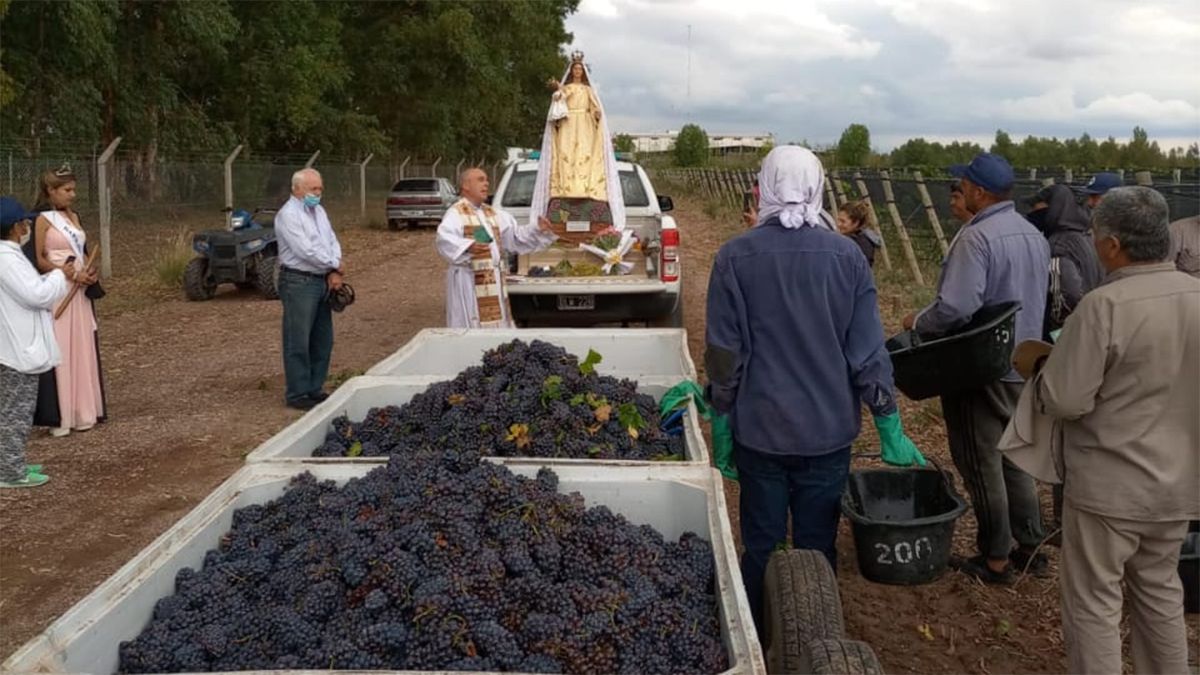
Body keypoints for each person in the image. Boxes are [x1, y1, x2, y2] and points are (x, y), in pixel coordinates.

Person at [705, 146, 925, 636]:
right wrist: (887, 419)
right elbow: (867, 352)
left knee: (761, 543)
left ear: (763, 187)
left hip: (759, 430)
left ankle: (757, 640)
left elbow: (725, 354)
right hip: (827, 433)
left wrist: (722, 416)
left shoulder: (734, 257)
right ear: (815, 186)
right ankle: (815, 640)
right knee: (816, 543)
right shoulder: (847, 257)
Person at [1028, 187, 1198, 674]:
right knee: (1161, 591)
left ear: (1113, 245)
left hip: (1109, 488)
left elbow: (1065, 399)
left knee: (1094, 602)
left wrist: (1041, 373)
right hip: (1178, 485)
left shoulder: (1104, 306)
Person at [903, 152, 1050, 584]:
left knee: (981, 461)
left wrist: (919, 322)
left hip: (978, 367)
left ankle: (995, 559)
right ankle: (1031, 546)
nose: (958, 191)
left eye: (962, 185)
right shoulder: (1030, 233)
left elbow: (957, 306)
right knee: (1015, 458)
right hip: (1020, 361)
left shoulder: (977, 238)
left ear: (980, 192)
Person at [25, 167, 105, 437]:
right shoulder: (40, 220)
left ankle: (84, 410)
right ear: (51, 191)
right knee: (61, 347)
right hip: (58, 290)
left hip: (80, 291)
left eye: (74, 189)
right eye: (67, 190)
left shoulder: (74, 217)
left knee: (81, 345)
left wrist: (89, 273)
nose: (73, 195)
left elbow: (82, 252)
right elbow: (38, 259)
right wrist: (64, 272)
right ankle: (61, 415)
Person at [0, 197, 68, 488]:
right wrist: (58, 275)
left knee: (12, 408)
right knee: (16, 410)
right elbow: (35, 295)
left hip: (17, 343)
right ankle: (11, 471)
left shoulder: (10, 255)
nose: (28, 226)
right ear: (16, 227)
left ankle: (9, 460)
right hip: (16, 348)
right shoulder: (6, 259)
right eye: (24, 222)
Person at [436, 168, 557, 328]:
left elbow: (515, 238)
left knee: (496, 326)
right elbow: (444, 239)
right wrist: (468, 247)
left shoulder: (492, 213)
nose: (486, 183)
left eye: (486, 180)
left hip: (494, 278)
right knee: (472, 326)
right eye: (480, 179)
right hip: (469, 280)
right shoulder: (456, 213)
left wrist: (537, 229)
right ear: (465, 185)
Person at [274, 168, 344, 411]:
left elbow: (331, 240)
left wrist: (334, 268)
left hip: (321, 278)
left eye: (320, 188)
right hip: (299, 281)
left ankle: (315, 387)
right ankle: (298, 392)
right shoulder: (288, 215)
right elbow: (304, 250)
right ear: (297, 189)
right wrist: (334, 264)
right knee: (298, 339)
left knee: (322, 338)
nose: (318, 193)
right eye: (313, 189)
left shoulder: (319, 211)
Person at [1025, 184, 1105, 339]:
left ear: (1053, 211)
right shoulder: (1088, 237)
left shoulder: (1058, 244)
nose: (1032, 214)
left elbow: (1067, 294)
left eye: (1037, 210)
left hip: (1070, 333)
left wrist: (1057, 334)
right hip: (1094, 325)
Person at [548, 53, 607, 202]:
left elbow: (594, 107)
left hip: (585, 125)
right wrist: (558, 89)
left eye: (580, 69)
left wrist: (596, 114)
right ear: (571, 71)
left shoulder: (588, 90)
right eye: (575, 69)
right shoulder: (566, 88)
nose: (577, 72)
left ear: (583, 72)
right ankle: (566, 187)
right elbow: (559, 99)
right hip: (568, 123)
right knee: (567, 153)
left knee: (583, 153)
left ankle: (584, 186)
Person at [836, 200, 883, 267]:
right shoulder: (846, 238)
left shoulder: (863, 244)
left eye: (843, 221)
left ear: (856, 223)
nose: (838, 224)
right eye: (838, 220)